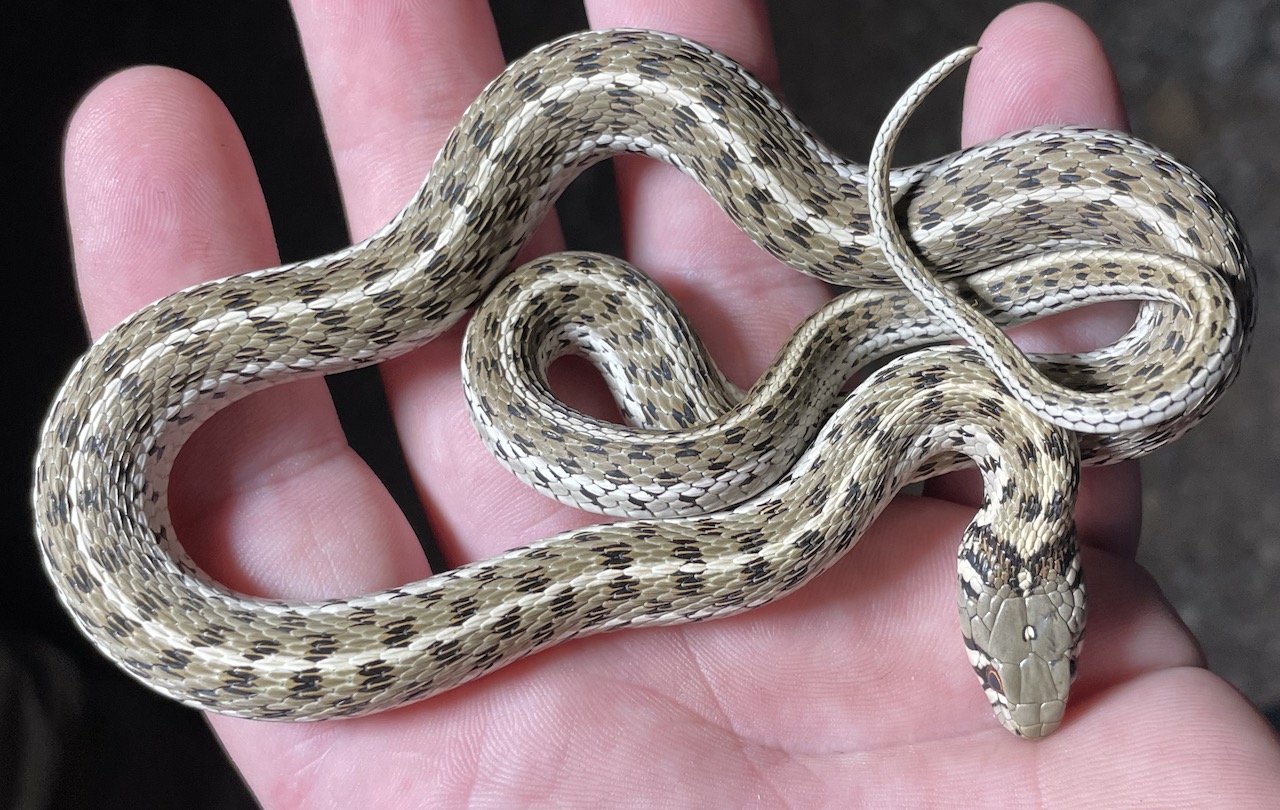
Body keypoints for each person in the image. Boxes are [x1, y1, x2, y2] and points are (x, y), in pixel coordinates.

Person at [62, 0, 1280, 805]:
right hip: (650, 351)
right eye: (1007, 654)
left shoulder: (910, 443)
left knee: (816, 335)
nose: (1013, 686)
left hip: (864, 377)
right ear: (1025, 576)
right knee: (465, 291)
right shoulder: (909, 440)